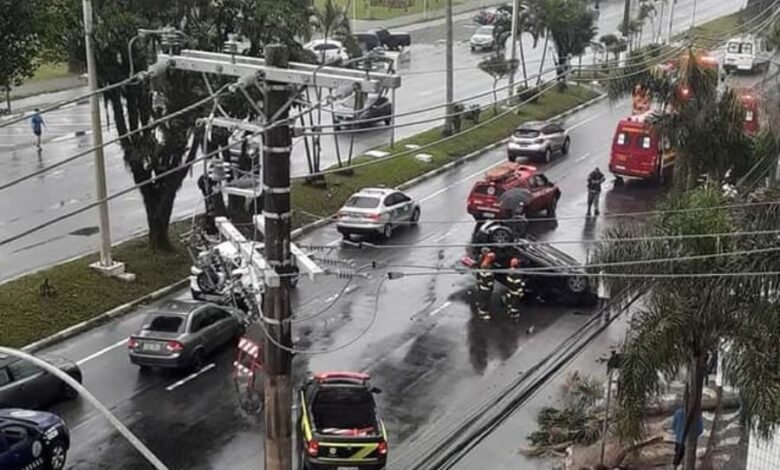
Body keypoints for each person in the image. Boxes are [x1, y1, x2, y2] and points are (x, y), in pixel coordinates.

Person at [475, 250, 496, 320]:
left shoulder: (483, 270)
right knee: (485, 301)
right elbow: (489, 283)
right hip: (486, 289)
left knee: (482, 299)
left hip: (482, 287)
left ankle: (481, 308)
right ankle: (483, 313)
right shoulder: (488, 274)